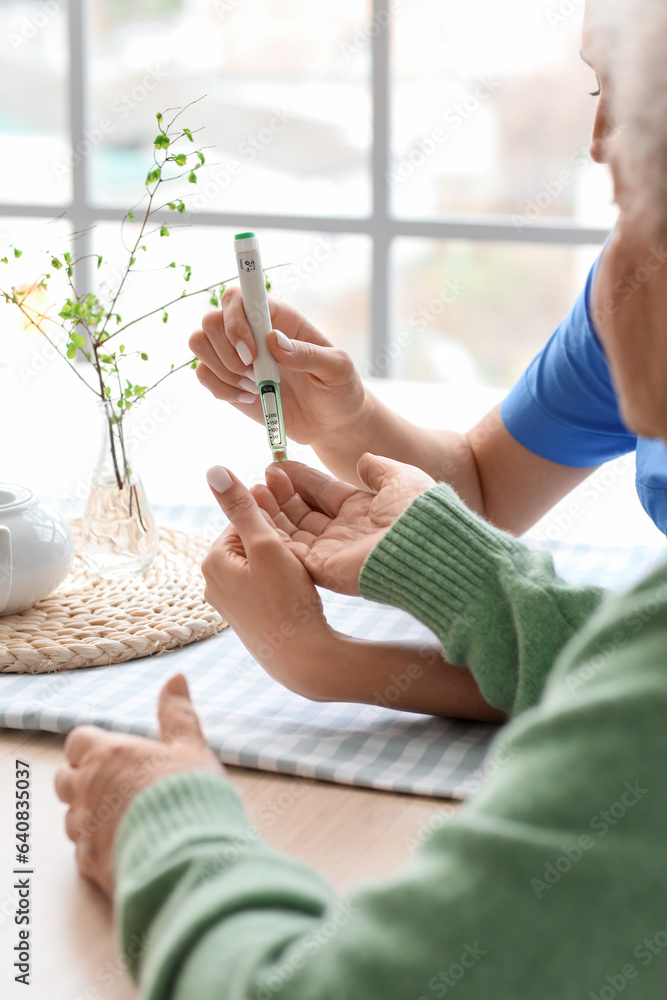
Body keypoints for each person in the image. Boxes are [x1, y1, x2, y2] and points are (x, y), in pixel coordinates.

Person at [55, 0, 667, 996]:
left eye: (634, 114)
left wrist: (169, 831)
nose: (597, 145)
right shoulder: (628, 296)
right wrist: (345, 424)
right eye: (599, 92)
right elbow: (482, 495)